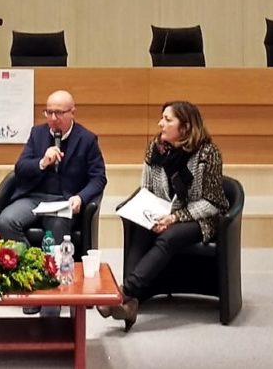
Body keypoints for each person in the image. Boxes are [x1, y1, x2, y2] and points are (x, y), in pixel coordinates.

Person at [98, 100, 229, 331]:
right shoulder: (156, 148)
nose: (161, 124)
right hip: (163, 213)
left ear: (185, 127)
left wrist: (175, 218)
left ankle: (125, 292)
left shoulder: (208, 153)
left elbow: (212, 203)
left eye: (168, 120)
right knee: (140, 227)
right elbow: (147, 189)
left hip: (199, 218)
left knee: (169, 237)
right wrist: (151, 215)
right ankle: (131, 303)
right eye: (162, 118)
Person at [0, 89, 106, 314]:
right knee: (6, 221)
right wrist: (42, 162)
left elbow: (98, 178)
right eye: (49, 112)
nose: (53, 118)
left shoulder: (87, 139)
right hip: (34, 197)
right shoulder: (37, 134)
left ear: (72, 113)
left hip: (64, 201)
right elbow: (20, 168)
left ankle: (51, 302)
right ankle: (35, 277)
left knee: (57, 232)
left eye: (59, 113)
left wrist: (81, 197)